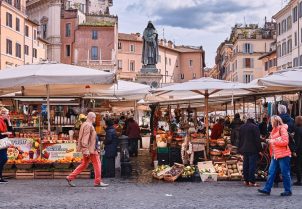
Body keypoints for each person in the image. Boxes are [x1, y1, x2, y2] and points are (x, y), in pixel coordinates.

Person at [66, 112, 108, 187]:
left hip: (88, 149)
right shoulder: (88, 125)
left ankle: (70, 177)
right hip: (90, 149)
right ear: (91, 118)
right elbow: (85, 139)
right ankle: (98, 182)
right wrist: (86, 150)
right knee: (97, 164)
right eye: (94, 117)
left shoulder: (84, 124)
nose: (95, 119)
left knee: (84, 164)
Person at [258, 115, 292, 196]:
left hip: (283, 155)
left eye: (271, 121)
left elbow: (285, 142)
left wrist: (272, 141)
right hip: (275, 155)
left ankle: (288, 190)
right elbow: (274, 141)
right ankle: (267, 189)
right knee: (271, 172)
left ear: (275, 121)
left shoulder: (282, 129)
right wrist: (269, 141)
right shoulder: (274, 130)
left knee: (285, 173)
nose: (270, 123)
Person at [238, 117, 262, 187]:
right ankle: (252, 181)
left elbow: (240, 139)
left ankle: (246, 180)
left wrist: (240, 149)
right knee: (252, 165)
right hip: (252, 149)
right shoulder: (255, 127)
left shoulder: (242, 127)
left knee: (245, 165)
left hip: (244, 148)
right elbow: (257, 140)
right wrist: (260, 149)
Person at [0, 108, 13, 183]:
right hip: (1, 142)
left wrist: (8, 121)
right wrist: (5, 133)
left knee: (3, 159)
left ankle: (0, 177)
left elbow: (11, 131)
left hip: (3, 143)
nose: (8, 115)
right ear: (2, 114)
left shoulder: (4, 122)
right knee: (3, 158)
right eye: (7, 114)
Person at [293, 116, 302, 186]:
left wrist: (294, 151)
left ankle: (299, 181)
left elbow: (297, 142)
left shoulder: (297, 129)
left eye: (296, 120)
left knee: (298, 165)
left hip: (299, 150)